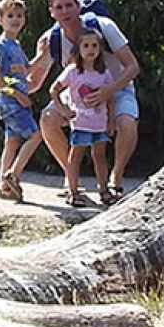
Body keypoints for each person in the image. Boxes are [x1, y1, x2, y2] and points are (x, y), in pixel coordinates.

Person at [28, 0, 142, 201]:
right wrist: (8, 88)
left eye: (69, 5)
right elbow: (34, 82)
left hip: (116, 86)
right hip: (77, 94)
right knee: (48, 118)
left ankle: (115, 179)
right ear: (52, 12)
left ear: (78, 6)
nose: (65, 11)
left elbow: (133, 66)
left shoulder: (104, 27)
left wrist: (108, 91)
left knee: (127, 123)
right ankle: (73, 179)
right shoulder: (51, 39)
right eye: (59, 7)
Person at [50, 29, 115, 206]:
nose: (90, 49)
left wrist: (111, 120)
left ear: (100, 49)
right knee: (76, 156)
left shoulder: (104, 74)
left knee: (100, 156)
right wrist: (63, 110)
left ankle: (104, 189)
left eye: (94, 45)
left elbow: (109, 99)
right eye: (86, 45)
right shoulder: (72, 71)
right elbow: (54, 89)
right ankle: (73, 191)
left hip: (99, 123)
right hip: (80, 123)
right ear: (78, 49)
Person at [0, 0, 42, 201]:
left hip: (17, 101)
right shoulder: (0, 46)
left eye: (19, 15)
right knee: (36, 136)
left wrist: (43, 54)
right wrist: (19, 96)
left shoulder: (16, 45)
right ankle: (13, 175)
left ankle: (3, 186)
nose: (15, 19)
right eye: (10, 15)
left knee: (11, 143)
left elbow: (26, 69)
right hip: (11, 103)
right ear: (0, 19)